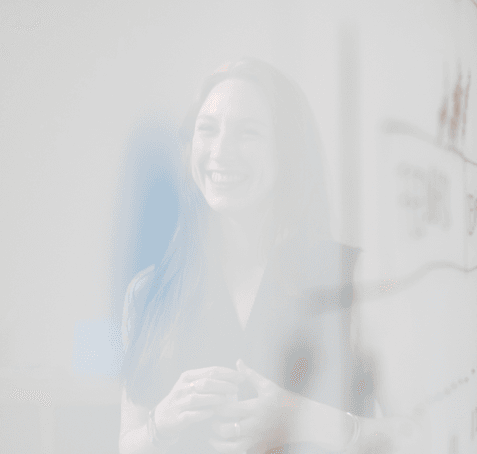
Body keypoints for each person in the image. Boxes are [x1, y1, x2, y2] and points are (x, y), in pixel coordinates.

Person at [118, 58, 369, 453]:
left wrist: (303, 418)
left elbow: (413, 435)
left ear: (289, 152)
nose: (220, 152)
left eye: (247, 133)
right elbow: (126, 444)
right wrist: (160, 425)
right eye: (207, 130)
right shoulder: (148, 293)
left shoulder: (351, 279)